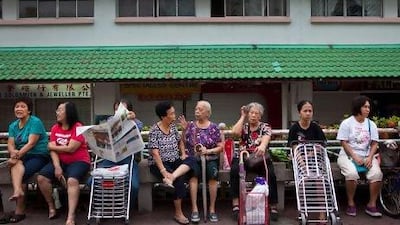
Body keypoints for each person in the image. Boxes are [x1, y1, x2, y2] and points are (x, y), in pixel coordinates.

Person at [37, 102, 91, 225]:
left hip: (79, 161)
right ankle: (52, 206)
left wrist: (52, 147)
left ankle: (71, 216)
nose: (57, 112)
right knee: (42, 178)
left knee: (72, 180)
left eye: (60, 110)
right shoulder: (55, 128)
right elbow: (53, 151)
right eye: (57, 110)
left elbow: (71, 148)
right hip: (60, 161)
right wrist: (57, 166)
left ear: (69, 112)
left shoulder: (78, 127)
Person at [148, 101, 197, 225]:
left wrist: (183, 153)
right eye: (172, 113)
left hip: (175, 160)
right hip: (160, 163)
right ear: (164, 116)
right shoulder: (154, 130)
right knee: (180, 180)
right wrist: (163, 171)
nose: (174, 115)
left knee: (192, 159)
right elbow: (155, 153)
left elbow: (180, 141)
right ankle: (178, 213)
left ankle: (171, 177)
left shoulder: (173, 127)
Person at [230, 102, 279, 221]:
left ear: (260, 116)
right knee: (235, 170)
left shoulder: (265, 126)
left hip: (259, 157)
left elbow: (266, 137)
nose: (253, 115)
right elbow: (235, 133)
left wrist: (262, 146)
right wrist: (242, 116)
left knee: (271, 174)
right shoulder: (244, 126)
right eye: (251, 113)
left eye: (256, 113)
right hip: (244, 156)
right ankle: (236, 205)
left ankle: (273, 207)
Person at [91, 99, 143, 207]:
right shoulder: (110, 121)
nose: (117, 113)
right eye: (116, 110)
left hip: (128, 159)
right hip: (110, 159)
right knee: (92, 181)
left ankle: (127, 206)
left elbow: (137, 131)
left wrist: (132, 120)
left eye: (121, 110)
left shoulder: (137, 122)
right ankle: (104, 206)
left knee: (133, 185)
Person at [5, 97, 49, 223]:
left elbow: (31, 143)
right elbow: (10, 143)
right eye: (17, 106)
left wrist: (15, 156)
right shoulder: (13, 125)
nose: (19, 109)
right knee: (15, 166)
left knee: (21, 173)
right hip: (22, 156)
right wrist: (13, 153)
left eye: (22, 106)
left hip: (39, 155)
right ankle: (18, 192)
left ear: (29, 110)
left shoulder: (35, 122)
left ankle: (19, 210)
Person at [336, 95, 382, 218]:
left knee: (377, 174)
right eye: (365, 107)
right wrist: (355, 157)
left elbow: (374, 143)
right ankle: (351, 203)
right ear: (358, 108)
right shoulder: (347, 123)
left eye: (369, 107)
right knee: (351, 174)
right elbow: (343, 142)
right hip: (348, 155)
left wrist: (369, 157)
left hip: (367, 156)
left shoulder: (371, 124)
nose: (368, 109)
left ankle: (371, 204)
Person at [179, 100, 223, 223]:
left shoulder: (213, 127)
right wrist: (183, 130)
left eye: (200, 109)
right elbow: (183, 141)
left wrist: (208, 151)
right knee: (193, 177)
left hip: (210, 158)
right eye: (196, 109)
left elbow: (221, 147)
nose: (197, 111)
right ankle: (195, 209)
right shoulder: (191, 126)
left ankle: (212, 209)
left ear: (208, 113)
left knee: (213, 177)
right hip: (194, 158)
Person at [287, 100, 327, 224]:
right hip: (299, 160)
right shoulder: (294, 128)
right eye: (305, 111)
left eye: (310, 111)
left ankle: (322, 213)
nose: (308, 113)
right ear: (299, 112)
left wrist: (310, 155)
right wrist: (302, 163)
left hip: (315, 159)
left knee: (321, 181)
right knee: (302, 180)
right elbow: (293, 148)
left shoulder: (315, 127)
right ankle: (303, 211)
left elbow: (321, 145)